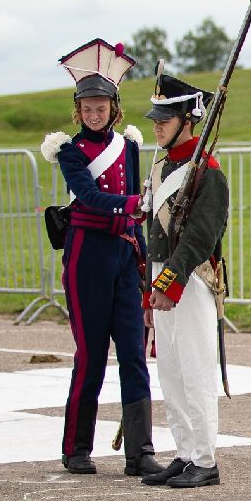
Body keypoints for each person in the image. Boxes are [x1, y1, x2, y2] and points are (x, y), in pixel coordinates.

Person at [41, 39, 160, 476]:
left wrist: (143, 258)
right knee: (90, 355)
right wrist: (133, 204)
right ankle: (76, 447)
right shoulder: (69, 152)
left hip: (124, 254)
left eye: (101, 107)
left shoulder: (128, 147)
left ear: (114, 107)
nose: (94, 114)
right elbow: (89, 197)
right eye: (87, 108)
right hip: (86, 255)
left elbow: (135, 216)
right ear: (78, 110)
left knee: (132, 352)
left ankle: (140, 450)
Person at [138, 74, 229, 489]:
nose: (157, 126)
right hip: (162, 277)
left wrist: (169, 281)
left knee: (194, 369)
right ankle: (185, 451)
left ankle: (206, 459)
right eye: (156, 119)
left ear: (188, 120)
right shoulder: (164, 165)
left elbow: (200, 236)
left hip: (189, 280)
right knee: (171, 371)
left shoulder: (206, 171)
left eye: (166, 119)